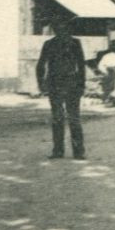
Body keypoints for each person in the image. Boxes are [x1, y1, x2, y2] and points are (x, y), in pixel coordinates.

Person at [36, 18, 87, 159]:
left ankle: (69, 151)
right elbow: (40, 65)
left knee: (67, 118)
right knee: (65, 118)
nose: (61, 30)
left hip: (65, 84)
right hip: (62, 84)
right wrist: (41, 84)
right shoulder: (54, 44)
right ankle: (69, 152)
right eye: (59, 27)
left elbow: (81, 65)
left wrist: (41, 83)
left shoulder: (70, 43)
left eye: (63, 27)